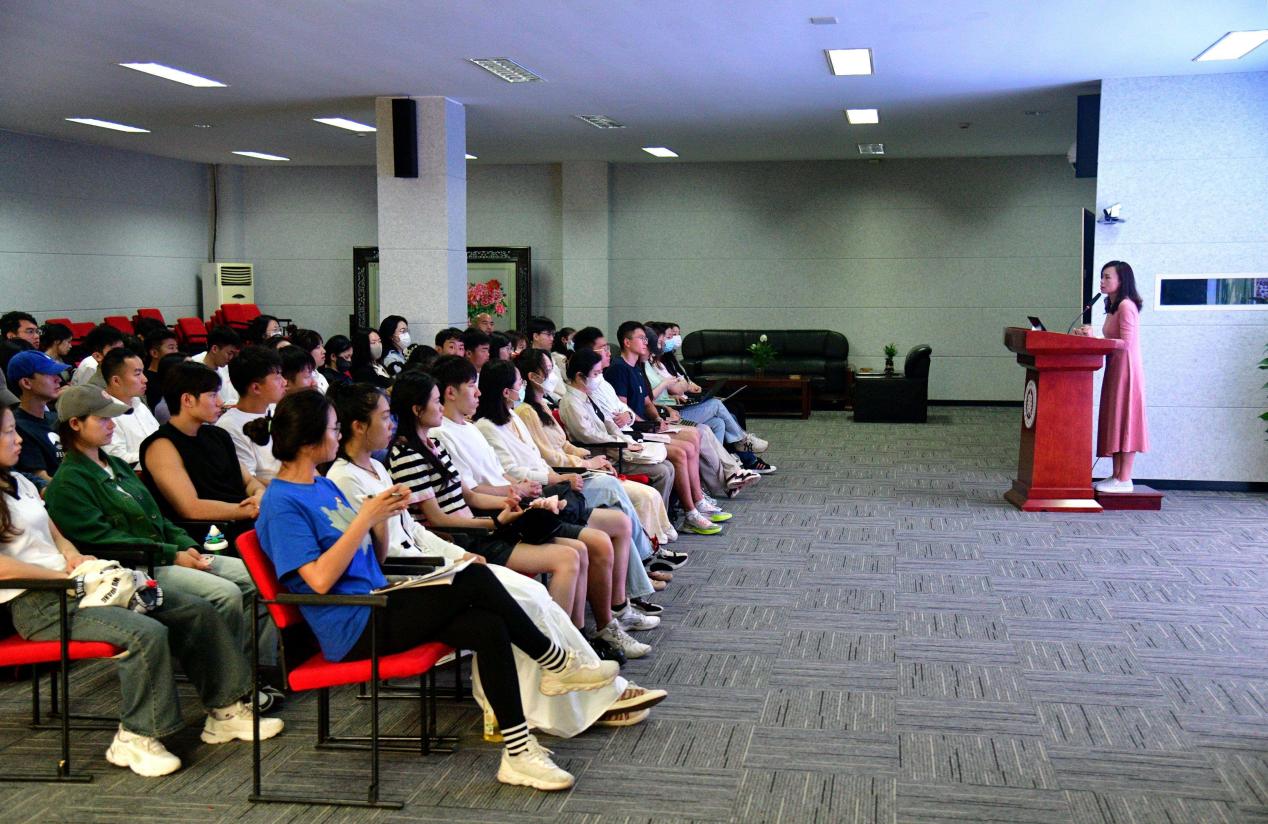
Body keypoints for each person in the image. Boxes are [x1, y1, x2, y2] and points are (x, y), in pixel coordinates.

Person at [256, 388, 619, 790]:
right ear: (308, 440)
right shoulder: (282, 503)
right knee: (475, 579)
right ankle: (557, 663)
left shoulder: (321, 486)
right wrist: (364, 519)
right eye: (332, 429)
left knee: (487, 626)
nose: (337, 435)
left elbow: (372, 560)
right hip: (351, 624)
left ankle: (518, 753)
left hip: (375, 601)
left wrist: (381, 521)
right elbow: (320, 581)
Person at [325, 383, 665, 733]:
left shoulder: (376, 468)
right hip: (413, 574)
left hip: (438, 558)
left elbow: (414, 530)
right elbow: (382, 552)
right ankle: (576, 692)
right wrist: (454, 559)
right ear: (358, 427)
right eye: (384, 418)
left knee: (534, 595)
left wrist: (461, 554)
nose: (391, 424)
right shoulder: (344, 479)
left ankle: (577, 682)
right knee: (524, 598)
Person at [0, 392, 282, 778]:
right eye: (8, 432)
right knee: (146, 633)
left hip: (79, 583)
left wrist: (72, 557)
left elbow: (56, 535)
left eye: (14, 430)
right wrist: (63, 577)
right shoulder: (66, 481)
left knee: (196, 610)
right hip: (39, 602)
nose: (18, 438)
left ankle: (226, 710)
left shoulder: (22, 483)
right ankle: (135, 736)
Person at [43, 385, 281, 706]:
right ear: (75, 424)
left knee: (260, 579)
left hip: (165, 553)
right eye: (103, 419)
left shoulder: (117, 466)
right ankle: (230, 688)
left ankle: (256, 670)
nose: (112, 425)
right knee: (225, 593)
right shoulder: (68, 483)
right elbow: (103, 540)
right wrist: (174, 554)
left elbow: (158, 517)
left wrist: (187, 546)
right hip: (136, 567)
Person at [385, 371, 646, 660]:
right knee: (568, 557)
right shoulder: (409, 454)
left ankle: (577, 638)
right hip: (465, 537)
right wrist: (494, 520)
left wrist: (513, 503)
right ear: (417, 409)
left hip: (481, 524)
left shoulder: (432, 445)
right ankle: (556, 653)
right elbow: (436, 520)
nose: (440, 407)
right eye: (435, 402)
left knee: (579, 550)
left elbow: (469, 495)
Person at [473, 360, 662, 626]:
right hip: (539, 492)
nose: (522, 387)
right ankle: (604, 617)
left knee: (619, 519)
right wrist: (562, 476)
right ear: (506, 392)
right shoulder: (486, 426)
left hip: (552, 481)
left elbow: (541, 455)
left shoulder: (514, 415)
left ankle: (622, 603)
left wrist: (575, 466)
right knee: (608, 506)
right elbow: (512, 472)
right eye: (519, 383)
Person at [514, 348, 676, 548]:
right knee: (645, 495)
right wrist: (589, 462)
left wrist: (591, 457)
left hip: (587, 461)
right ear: (532, 377)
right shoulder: (528, 411)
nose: (553, 375)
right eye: (548, 369)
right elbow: (549, 455)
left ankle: (654, 542)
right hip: (569, 471)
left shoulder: (543, 406)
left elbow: (565, 443)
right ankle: (651, 547)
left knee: (652, 484)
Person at [605, 323, 730, 534]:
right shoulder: (619, 368)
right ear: (627, 342)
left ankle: (698, 500)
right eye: (641, 338)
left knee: (694, 436)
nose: (646, 342)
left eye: (646, 339)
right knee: (683, 450)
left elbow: (646, 402)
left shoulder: (636, 367)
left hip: (648, 424)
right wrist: (650, 424)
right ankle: (691, 513)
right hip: (636, 431)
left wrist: (658, 418)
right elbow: (623, 409)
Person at [644, 324, 772, 480]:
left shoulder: (659, 362)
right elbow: (656, 394)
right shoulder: (644, 366)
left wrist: (672, 396)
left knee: (719, 422)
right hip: (666, 415)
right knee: (716, 405)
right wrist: (672, 391)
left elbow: (674, 386)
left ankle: (717, 471)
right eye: (665, 339)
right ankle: (741, 442)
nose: (667, 342)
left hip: (672, 407)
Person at [1076, 260, 1149, 492]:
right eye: (1102, 276)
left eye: (1107, 277)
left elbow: (1126, 343)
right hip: (1115, 367)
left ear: (1121, 280)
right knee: (1116, 419)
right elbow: (1112, 341)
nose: (1102, 281)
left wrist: (1097, 340)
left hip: (1127, 370)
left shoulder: (1126, 306)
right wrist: (1092, 338)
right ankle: (1117, 475)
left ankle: (1124, 478)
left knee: (1126, 419)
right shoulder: (1113, 305)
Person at [218, 346, 285, 486]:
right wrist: (294, 487)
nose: (284, 382)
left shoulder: (276, 410)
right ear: (256, 388)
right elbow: (249, 479)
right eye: (277, 377)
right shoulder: (229, 427)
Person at [7, 350, 67, 488]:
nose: (58, 379)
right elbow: (41, 478)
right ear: (26, 383)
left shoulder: (56, 417)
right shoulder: (18, 426)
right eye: (49, 374)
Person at [99, 348, 159, 469]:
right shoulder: (105, 413)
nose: (145, 379)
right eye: (137, 374)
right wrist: (161, 457)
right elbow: (117, 460)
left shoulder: (139, 405)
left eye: (142, 372)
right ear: (116, 381)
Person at [190, 326, 243, 406]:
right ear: (215, 349)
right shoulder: (193, 368)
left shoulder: (225, 366)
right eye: (229, 353)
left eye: (233, 354)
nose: (231, 358)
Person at [142, 327, 181, 410]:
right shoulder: (146, 381)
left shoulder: (176, 375)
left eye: (176, 347)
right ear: (154, 353)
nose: (176, 352)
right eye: (171, 348)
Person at [291, 329, 328, 394]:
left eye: (322, 346)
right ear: (305, 351)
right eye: (318, 347)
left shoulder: (320, 376)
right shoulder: (300, 381)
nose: (324, 351)